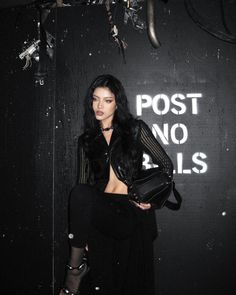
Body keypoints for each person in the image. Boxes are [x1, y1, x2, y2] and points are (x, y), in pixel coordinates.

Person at [59, 74, 173, 295]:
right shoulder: (86, 141)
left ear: (117, 103)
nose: (99, 105)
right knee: (105, 284)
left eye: (107, 100)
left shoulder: (135, 129)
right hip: (104, 212)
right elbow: (83, 185)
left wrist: (152, 201)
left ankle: (74, 270)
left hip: (131, 211)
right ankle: (76, 267)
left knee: (131, 284)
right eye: (95, 99)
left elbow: (166, 166)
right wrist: (83, 235)